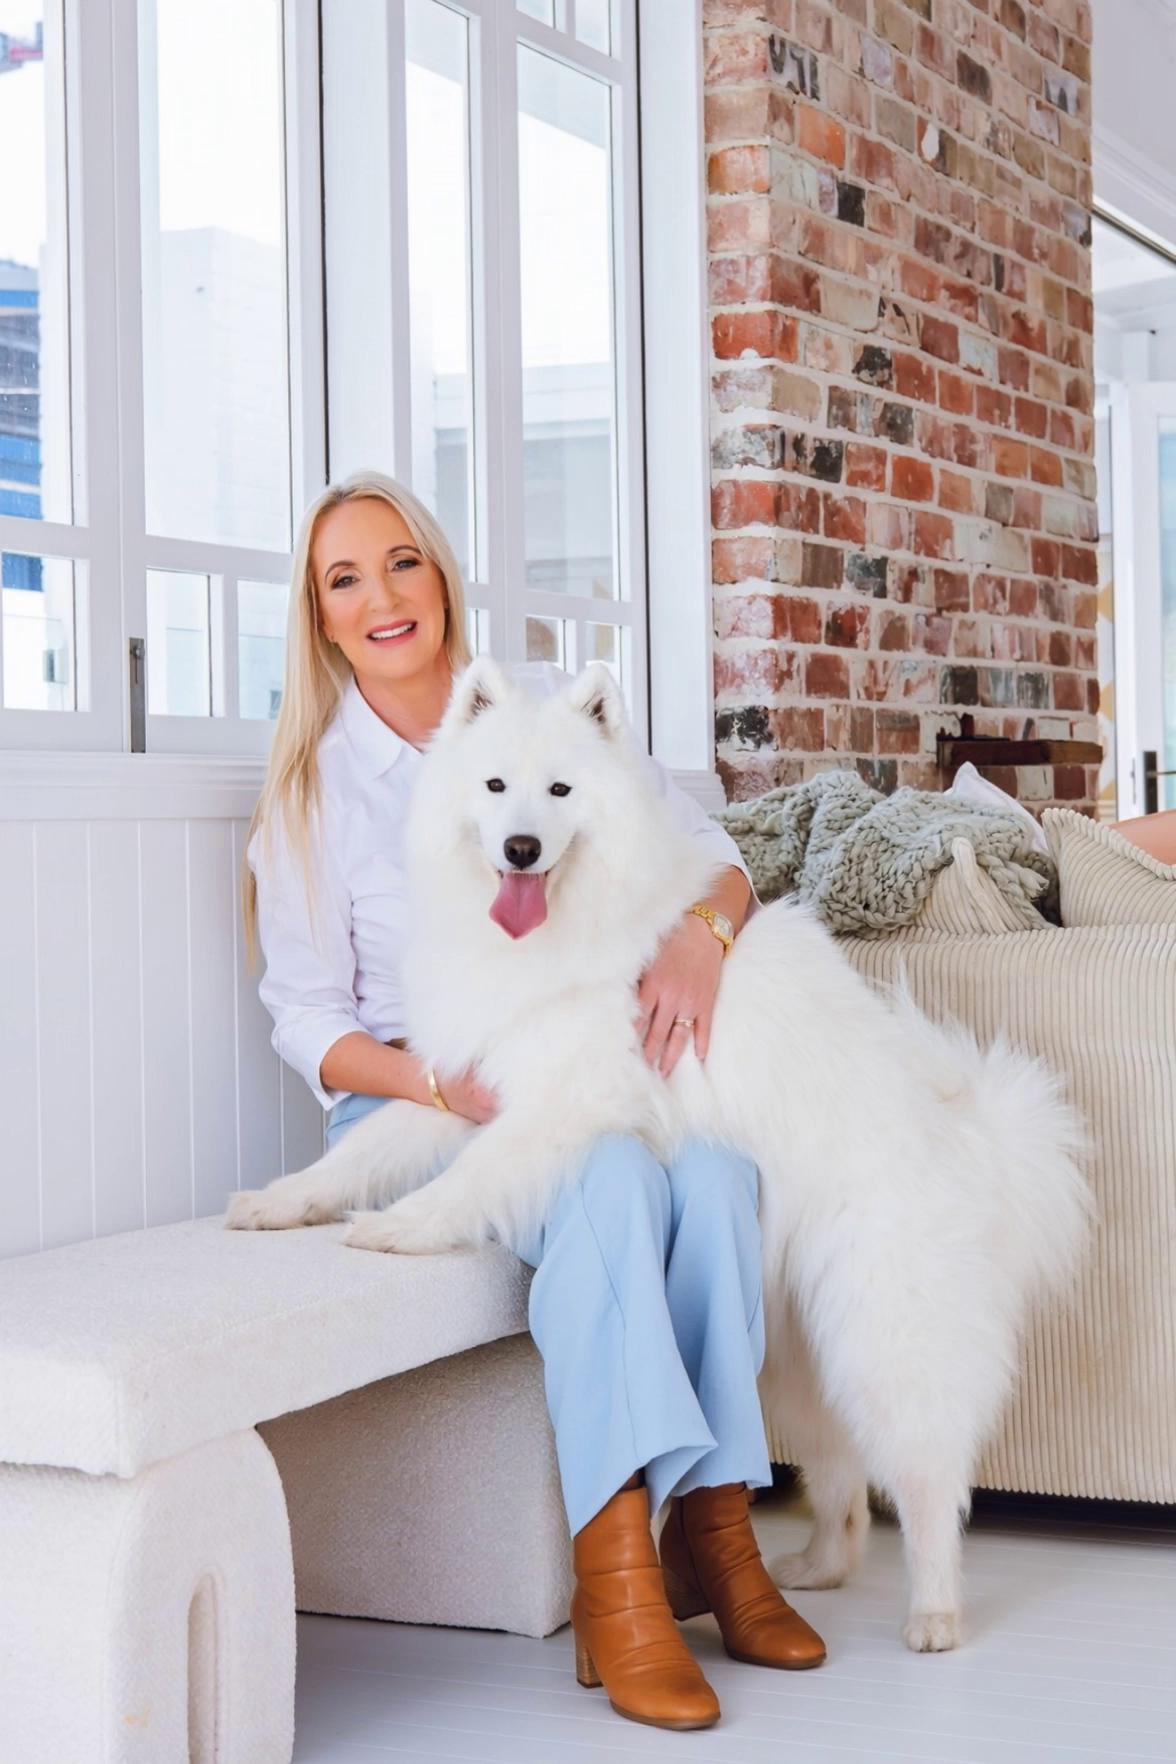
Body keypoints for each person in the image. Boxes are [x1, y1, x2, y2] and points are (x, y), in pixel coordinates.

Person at [241, 470, 826, 1731]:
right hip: (422, 1100)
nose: (382, 596)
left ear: (440, 577)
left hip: (577, 1072)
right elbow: (305, 1016)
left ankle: (718, 1538)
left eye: (401, 562)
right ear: (323, 618)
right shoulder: (311, 791)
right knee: (611, 1182)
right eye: (346, 579)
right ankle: (616, 1577)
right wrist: (433, 1078)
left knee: (721, 1174)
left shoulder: (548, 719)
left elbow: (712, 860)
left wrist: (701, 941)